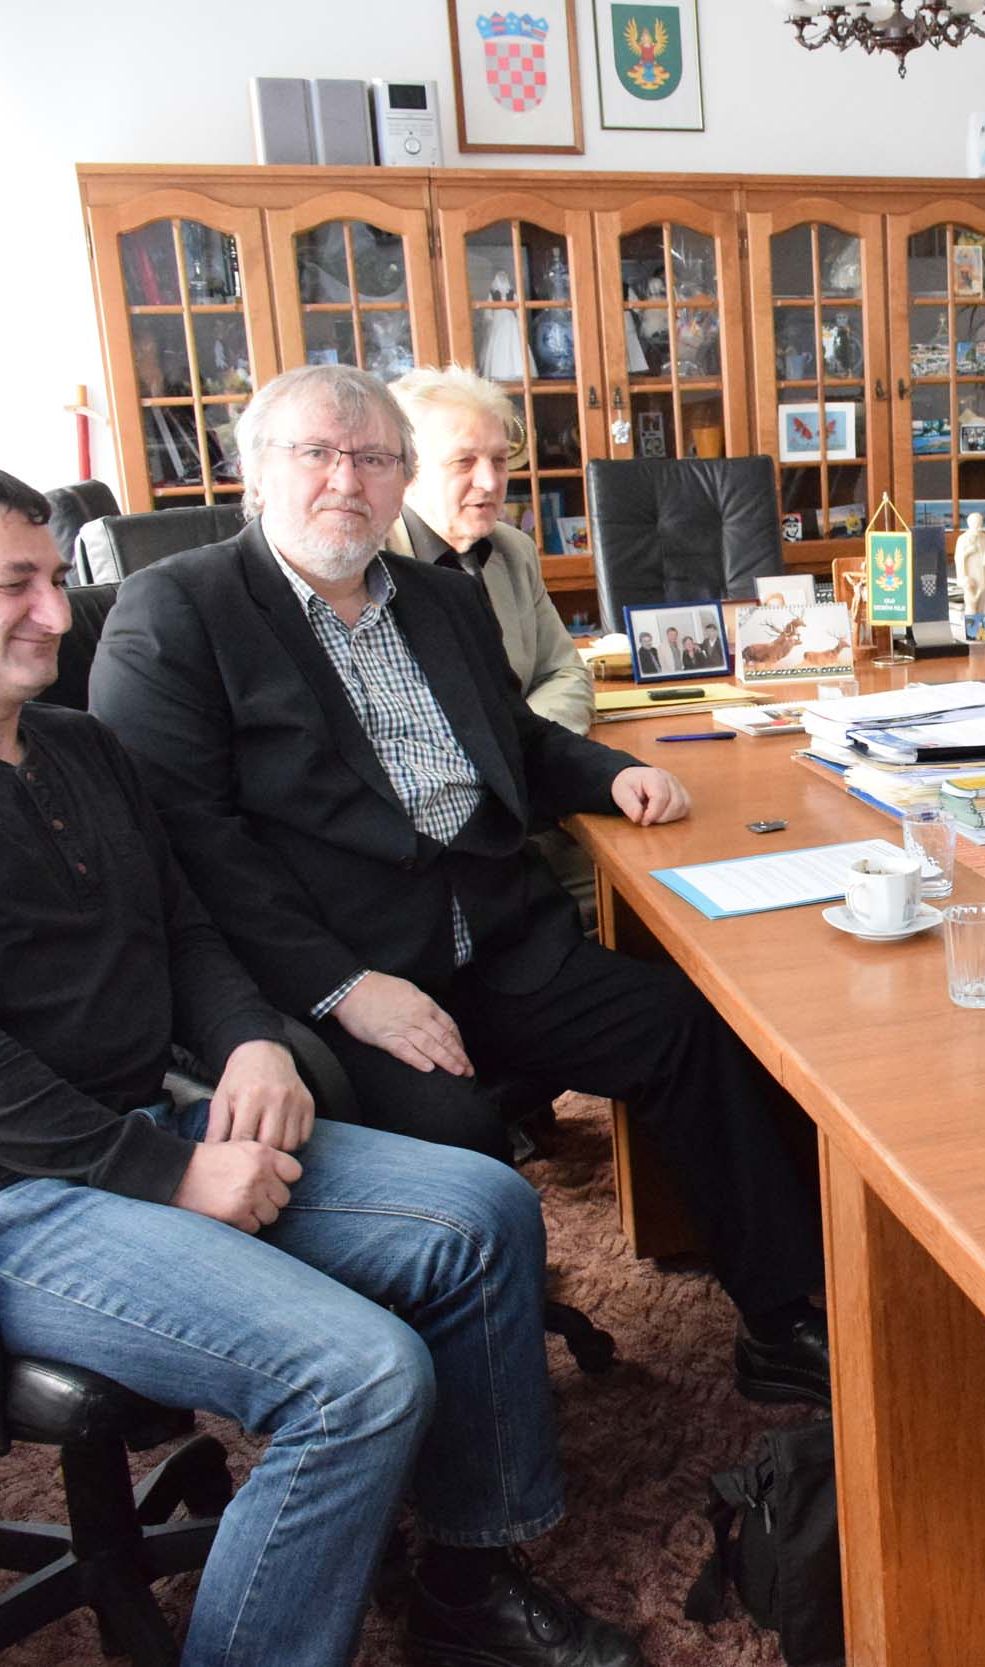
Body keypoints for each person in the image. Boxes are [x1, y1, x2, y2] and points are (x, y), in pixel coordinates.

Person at [90, 364, 830, 1408]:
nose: (346, 479)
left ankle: (780, 1318)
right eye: (317, 453)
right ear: (256, 473)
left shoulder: (441, 597)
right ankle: (485, 1416)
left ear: (402, 481)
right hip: (342, 980)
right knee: (463, 1151)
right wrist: (345, 988)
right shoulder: (177, 610)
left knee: (688, 1026)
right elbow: (186, 848)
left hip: (500, 938)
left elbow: (515, 737)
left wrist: (607, 774)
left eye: (374, 458)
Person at [0, 470, 638, 1667]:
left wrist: (247, 1036)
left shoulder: (79, 746)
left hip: (151, 1119)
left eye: (48, 580)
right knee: (360, 1374)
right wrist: (166, 1173)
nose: (53, 612)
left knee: (485, 1207)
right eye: (14, 587)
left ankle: (465, 1579)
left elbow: (187, 925)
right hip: (28, 1196)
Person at [386, 365, 598, 914]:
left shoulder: (511, 550)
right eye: (464, 462)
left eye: (500, 460)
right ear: (404, 471)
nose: (489, 481)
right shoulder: (370, 567)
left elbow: (564, 672)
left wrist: (517, 754)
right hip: (440, 842)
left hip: (531, 805)